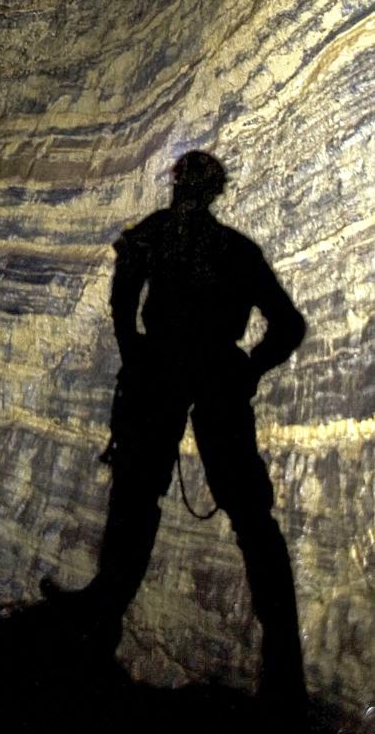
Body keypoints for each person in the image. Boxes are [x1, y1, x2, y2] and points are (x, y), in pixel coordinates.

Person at [56, 151, 307, 708]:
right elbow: (288, 324)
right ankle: (284, 667)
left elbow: (123, 298)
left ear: (177, 184)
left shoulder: (155, 233)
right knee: (249, 517)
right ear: (217, 190)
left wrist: (136, 354)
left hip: (165, 371)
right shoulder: (235, 250)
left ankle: (101, 620)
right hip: (213, 373)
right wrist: (248, 367)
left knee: (136, 499)